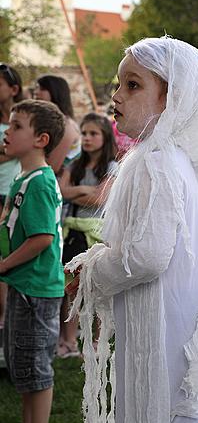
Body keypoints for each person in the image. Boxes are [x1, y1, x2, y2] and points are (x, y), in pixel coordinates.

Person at [65, 36, 198, 423]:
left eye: (133, 85)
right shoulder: (180, 156)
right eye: (118, 84)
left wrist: (91, 271)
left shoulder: (157, 159)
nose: (116, 96)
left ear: (170, 98)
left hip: (169, 327)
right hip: (187, 320)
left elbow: (145, 257)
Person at [0, 99, 65, 423]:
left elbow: (43, 238)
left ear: (40, 138)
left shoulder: (39, 181)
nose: (7, 132)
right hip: (25, 285)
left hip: (37, 288)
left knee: (36, 364)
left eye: (16, 126)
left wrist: (6, 263)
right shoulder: (25, 176)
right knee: (21, 361)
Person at [58, 113, 118, 357]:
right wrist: (84, 189)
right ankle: (69, 340)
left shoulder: (112, 166)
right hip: (74, 231)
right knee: (71, 286)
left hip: (99, 233)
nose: (87, 138)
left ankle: (97, 341)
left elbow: (101, 198)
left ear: (105, 137)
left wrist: (79, 193)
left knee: (99, 288)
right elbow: (61, 191)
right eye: (84, 133)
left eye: (94, 133)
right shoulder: (75, 165)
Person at [0, 63, 23, 329]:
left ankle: (8, 318)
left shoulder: (24, 118)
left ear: (13, 89)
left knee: (10, 256)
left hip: (16, 194)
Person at [34, 75, 80, 174]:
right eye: (36, 88)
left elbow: (52, 167)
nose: (36, 92)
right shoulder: (46, 122)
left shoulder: (66, 127)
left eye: (42, 89)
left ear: (56, 92)